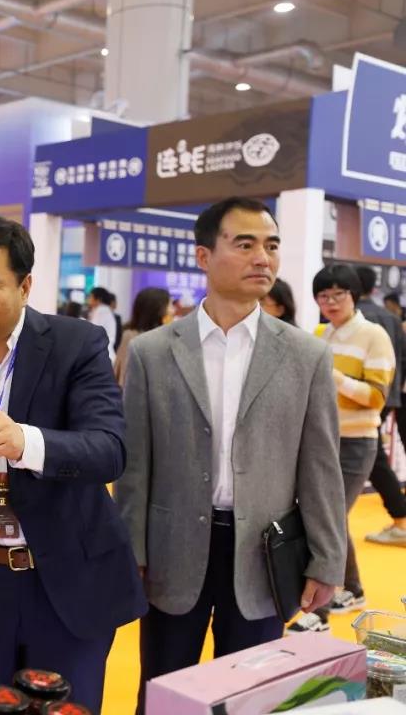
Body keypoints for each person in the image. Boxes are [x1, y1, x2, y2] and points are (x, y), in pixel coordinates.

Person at [0, 214, 146, 714]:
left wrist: (25, 443)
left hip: (65, 582)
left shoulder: (76, 344)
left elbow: (109, 449)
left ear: (25, 285)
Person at [114, 197, 346, 714]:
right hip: (172, 551)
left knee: (250, 698)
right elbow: (134, 467)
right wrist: (133, 551)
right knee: (164, 691)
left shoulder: (306, 355)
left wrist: (327, 559)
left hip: (264, 553)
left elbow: (320, 467)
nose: (263, 258)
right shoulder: (153, 351)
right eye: (244, 244)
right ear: (203, 256)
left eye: (271, 246)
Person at [284, 265, 394, 635]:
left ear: (353, 295)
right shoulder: (320, 334)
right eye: (323, 296)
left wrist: (334, 378)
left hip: (356, 442)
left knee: (326, 519)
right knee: (333, 519)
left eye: (338, 294)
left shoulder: (374, 335)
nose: (330, 302)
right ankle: (354, 589)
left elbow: (377, 397)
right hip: (319, 439)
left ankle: (321, 613)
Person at [352, 267, 406, 548]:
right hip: (388, 395)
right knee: (373, 455)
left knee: (372, 457)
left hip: (359, 398)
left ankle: (401, 517)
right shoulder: (391, 318)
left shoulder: (357, 318)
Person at [115, 287, 172, 388]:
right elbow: (124, 374)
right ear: (158, 309)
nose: (172, 310)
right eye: (170, 305)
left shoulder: (167, 336)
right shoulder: (131, 336)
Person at [87, 286, 118, 358]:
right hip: (106, 351)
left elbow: (93, 332)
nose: (89, 299)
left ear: (98, 299)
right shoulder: (105, 310)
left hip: (102, 352)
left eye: (91, 297)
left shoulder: (101, 311)